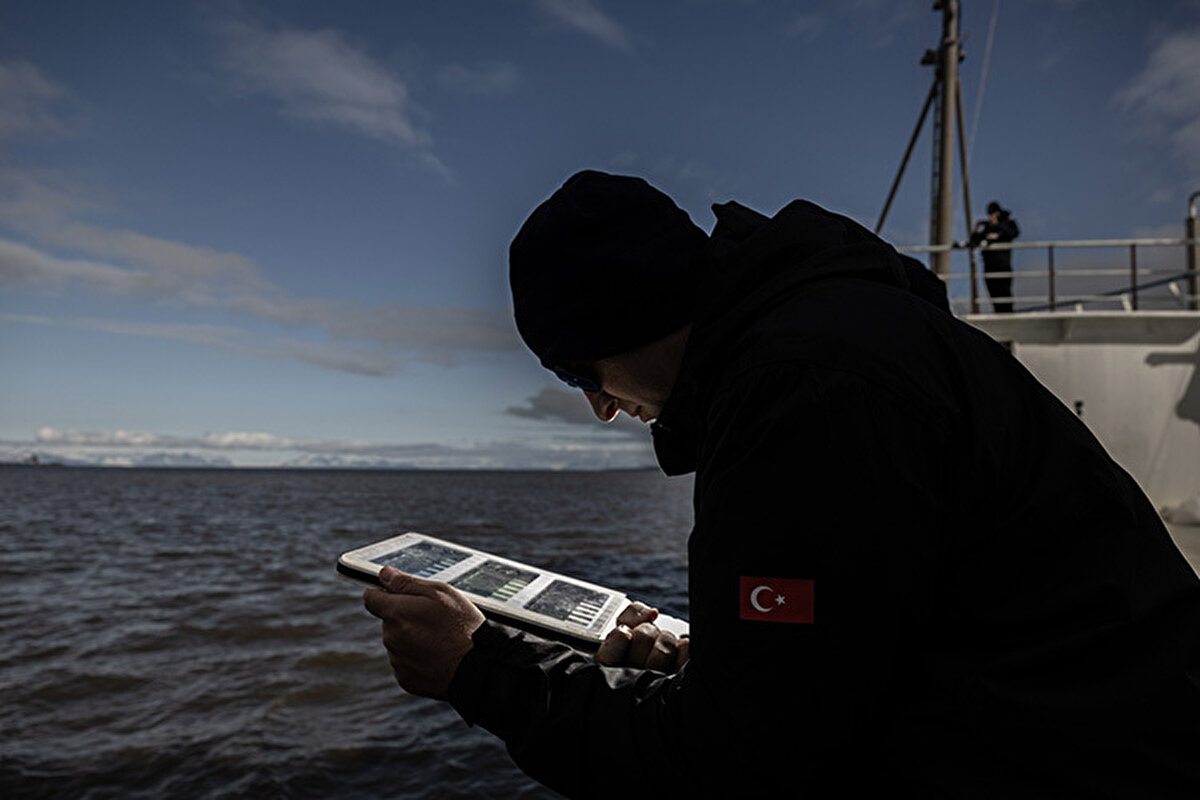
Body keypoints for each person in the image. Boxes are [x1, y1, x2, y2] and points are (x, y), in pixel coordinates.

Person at [364, 170, 1200, 797]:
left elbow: (738, 766)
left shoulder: (803, 396)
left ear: (624, 322)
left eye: (579, 371)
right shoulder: (838, 338)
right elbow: (855, 654)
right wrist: (723, 664)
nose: (599, 407)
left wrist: (477, 669)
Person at [969, 200, 1021, 313]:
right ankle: (999, 312)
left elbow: (1014, 232)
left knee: (1004, 293)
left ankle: (1007, 314)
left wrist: (998, 232)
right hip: (989, 266)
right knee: (993, 292)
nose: (991, 217)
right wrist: (976, 230)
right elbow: (974, 241)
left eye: (993, 214)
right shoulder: (988, 227)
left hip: (1003, 265)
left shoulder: (1008, 224)